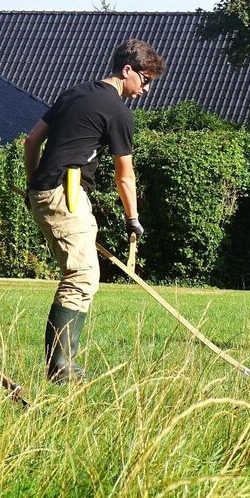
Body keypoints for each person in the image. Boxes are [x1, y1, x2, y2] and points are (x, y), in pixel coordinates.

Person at [24, 39, 166, 383]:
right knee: (81, 275)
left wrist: (34, 187)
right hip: (65, 192)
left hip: (51, 190)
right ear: (127, 70)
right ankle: (61, 369)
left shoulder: (74, 93)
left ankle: (66, 364)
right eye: (144, 80)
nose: (145, 90)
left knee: (85, 274)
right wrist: (133, 219)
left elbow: (31, 141)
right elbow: (125, 175)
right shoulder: (118, 112)